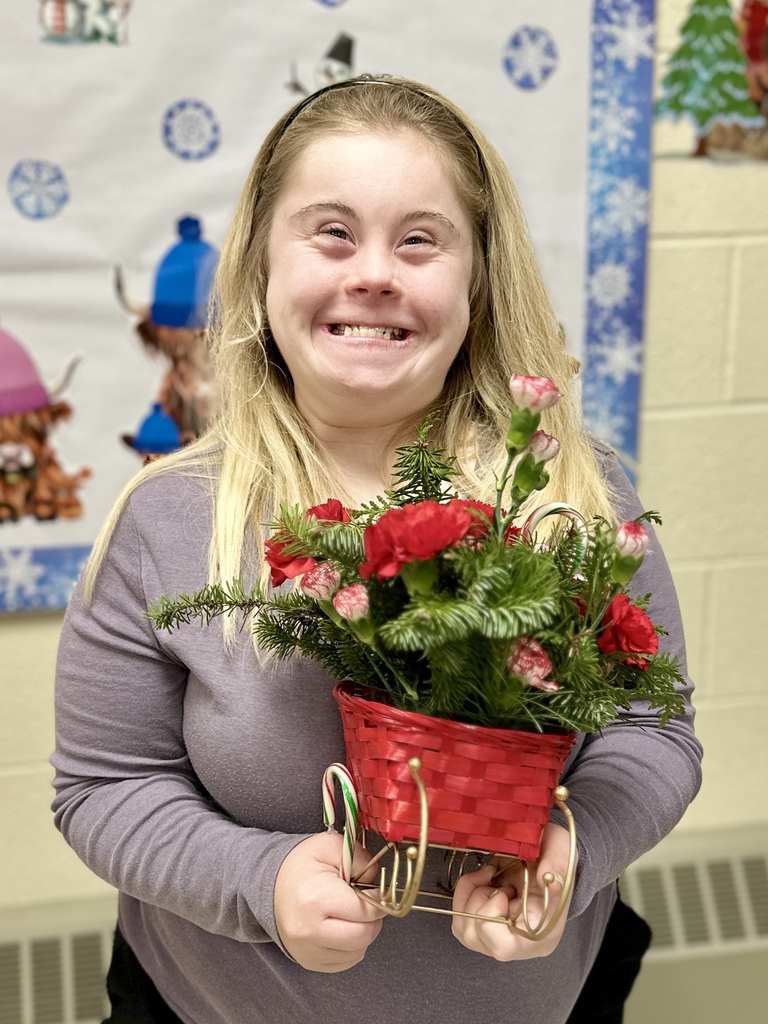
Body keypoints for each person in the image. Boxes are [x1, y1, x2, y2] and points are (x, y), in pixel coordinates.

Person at [52, 75, 702, 1024]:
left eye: (419, 240)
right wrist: (260, 882)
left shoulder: (573, 497)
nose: (374, 274)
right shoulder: (167, 517)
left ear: (476, 283)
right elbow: (104, 787)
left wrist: (573, 850)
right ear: (261, 268)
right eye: (331, 233)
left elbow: (654, 733)